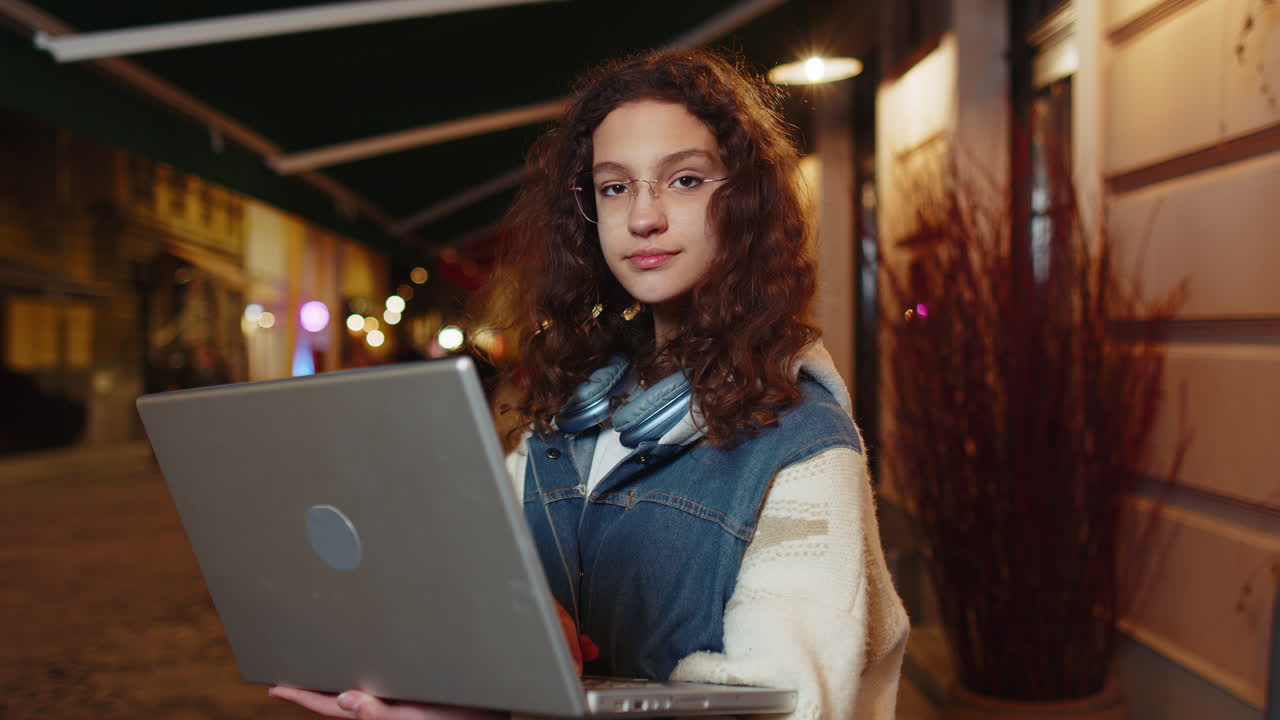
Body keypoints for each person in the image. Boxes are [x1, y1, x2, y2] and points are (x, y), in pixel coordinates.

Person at [271, 49, 908, 720]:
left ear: (747, 200)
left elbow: (790, 709)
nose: (643, 217)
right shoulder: (564, 420)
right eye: (614, 187)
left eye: (685, 179)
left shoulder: (807, 448)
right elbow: (477, 609)